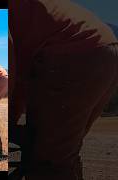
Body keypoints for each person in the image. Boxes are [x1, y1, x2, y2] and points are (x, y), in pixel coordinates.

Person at [10, 0, 118, 179]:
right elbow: (18, 76)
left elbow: (10, 71)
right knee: (61, 152)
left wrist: (9, 121)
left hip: (74, 54)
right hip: (102, 47)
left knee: (49, 161)